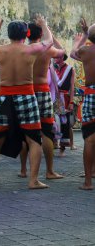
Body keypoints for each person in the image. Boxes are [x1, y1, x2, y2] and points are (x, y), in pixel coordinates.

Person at [0, 15, 53, 189]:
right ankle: (33, 180)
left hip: (5, 96)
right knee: (34, 138)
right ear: (26, 34)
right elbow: (49, 41)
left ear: (9, 33)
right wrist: (44, 24)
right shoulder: (30, 50)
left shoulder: (0, 50)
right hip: (26, 96)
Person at [19, 23, 64, 179]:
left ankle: (24, 170)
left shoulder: (23, 50)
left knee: (26, 131)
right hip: (43, 91)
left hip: (26, 91)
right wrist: (48, 29)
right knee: (46, 132)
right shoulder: (47, 49)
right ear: (41, 34)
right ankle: (49, 171)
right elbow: (62, 53)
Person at [71, 19, 95, 189]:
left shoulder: (86, 51)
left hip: (91, 94)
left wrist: (84, 35)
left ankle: (88, 181)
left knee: (89, 139)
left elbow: (73, 53)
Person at [54, 53, 75, 155]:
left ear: (62, 57)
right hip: (54, 98)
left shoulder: (69, 69)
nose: (54, 58)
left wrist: (71, 102)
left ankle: (63, 147)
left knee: (64, 122)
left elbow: (72, 86)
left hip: (65, 98)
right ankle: (54, 143)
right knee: (53, 121)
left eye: (56, 56)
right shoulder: (52, 69)